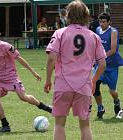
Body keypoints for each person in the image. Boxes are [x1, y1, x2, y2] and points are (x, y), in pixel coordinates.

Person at [44, 1, 106, 140]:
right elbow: (102, 64)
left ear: (68, 15)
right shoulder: (94, 36)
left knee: (59, 125)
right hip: (84, 86)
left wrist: (48, 79)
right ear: (86, 15)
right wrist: (94, 80)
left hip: (63, 84)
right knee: (85, 126)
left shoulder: (60, 33)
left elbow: (51, 58)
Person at [94, 12, 123, 119]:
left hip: (111, 65)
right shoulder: (97, 30)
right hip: (100, 64)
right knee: (95, 85)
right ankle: (100, 107)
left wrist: (100, 57)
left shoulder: (113, 32)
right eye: (100, 21)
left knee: (112, 91)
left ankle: (116, 101)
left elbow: (113, 50)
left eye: (104, 22)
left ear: (109, 22)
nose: (101, 24)